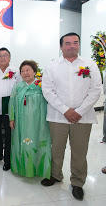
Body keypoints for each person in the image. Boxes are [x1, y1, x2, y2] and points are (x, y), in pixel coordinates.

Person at [41, 32, 102, 200]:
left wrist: (79, 111)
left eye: (75, 42)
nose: (72, 46)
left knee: (79, 152)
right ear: (61, 46)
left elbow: (96, 89)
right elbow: (47, 90)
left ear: (79, 45)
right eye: (67, 43)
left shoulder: (90, 65)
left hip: (83, 118)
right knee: (57, 149)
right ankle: (55, 175)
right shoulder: (52, 66)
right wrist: (65, 110)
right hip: (57, 116)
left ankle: (77, 182)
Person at [8, 60, 51, 178]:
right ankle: (22, 168)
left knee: (39, 142)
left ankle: (39, 168)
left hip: (39, 122)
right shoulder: (17, 87)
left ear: (34, 71)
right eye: (22, 71)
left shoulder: (41, 86)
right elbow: (11, 103)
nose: (25, 73)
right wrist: (11, 119)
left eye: (28, 70)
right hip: (21, 122)